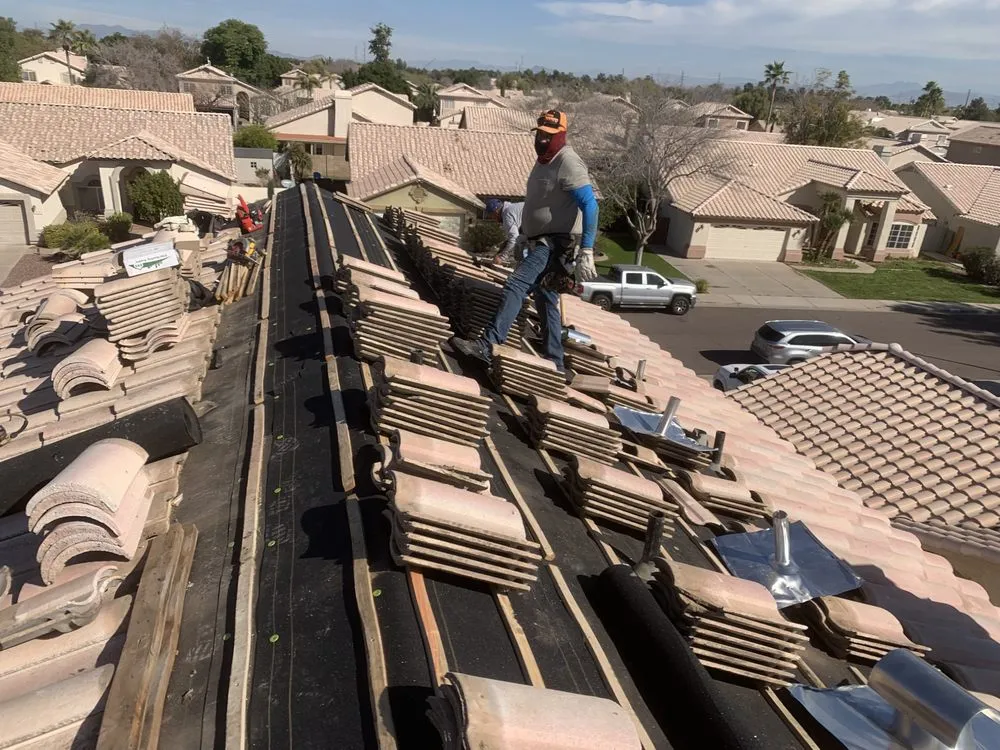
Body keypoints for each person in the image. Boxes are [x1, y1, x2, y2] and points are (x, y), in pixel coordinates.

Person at [452, 110, 599, 373]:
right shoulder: (543, 161)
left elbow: (590, 204)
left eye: (549, 135)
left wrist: (587, 247)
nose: (543, 139)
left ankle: (488, 346)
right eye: (540, 134)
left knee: (515, 285)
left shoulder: (568, 162)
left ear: (561, 135)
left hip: (556, 244)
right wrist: (523, 234)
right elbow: (538, 203)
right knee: (545, 297)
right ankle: (556, 362)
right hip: (538, 239)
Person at [484, 198, 525, 267]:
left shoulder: (507, 215)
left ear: (496, 212)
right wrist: (504, 246)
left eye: (492, 216)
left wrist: (501, 257)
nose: (493, 219)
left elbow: (514, 238)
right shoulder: (512, 208)